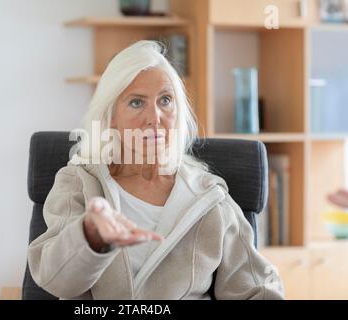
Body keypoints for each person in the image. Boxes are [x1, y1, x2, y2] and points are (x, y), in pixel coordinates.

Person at [27, 41, 284, 300]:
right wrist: (90, 235)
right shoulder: (78, 183)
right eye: (137, 102)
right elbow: (55, 281)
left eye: (165, 100)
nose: (155, 117)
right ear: (111, 116)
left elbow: (256, 288)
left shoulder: (209, 198)